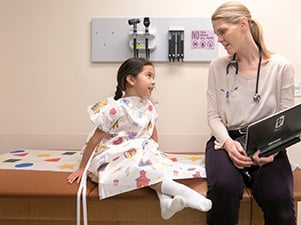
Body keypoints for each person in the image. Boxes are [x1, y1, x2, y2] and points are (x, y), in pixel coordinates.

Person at [67, 57, 211, 220]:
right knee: (139, 167)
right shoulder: (116, 108)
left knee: (157, 167)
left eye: (154, 77)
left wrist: (153, 152)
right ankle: (184, 193)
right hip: (114, 153)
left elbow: (152, 132)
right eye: (149, 76)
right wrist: (82, 168)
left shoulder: (148, 105)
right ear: (131, 79)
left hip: (141, 150)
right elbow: (95, 139)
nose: (154, 82)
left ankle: (166, 204)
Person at [205, 1, 296, 225]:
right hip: (226, 140)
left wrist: (273, 149)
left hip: (268, 142)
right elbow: (213, 116)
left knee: (280, 199)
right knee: (224, 190)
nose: (219, 39)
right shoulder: (218, 67)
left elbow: (287, 117)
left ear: (243, 24)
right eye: (217, 33)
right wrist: (227, 142)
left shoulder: (280, 66)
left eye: (222, 31)